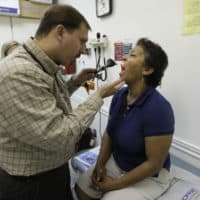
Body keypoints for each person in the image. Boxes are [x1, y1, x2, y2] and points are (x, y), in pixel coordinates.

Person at [0, 4, 124, 200]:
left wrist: (75, 82)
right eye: (81, 41)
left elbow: (47, 99)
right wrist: (97, 96)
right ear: (60, 32)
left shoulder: (43, 65)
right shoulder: (19, 73)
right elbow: (59, 135)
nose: (83, 50)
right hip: (31, 186)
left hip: (51, 172)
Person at [75, 38, 175, 200]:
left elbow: (154, 164)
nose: (124, 58)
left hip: (149, 177)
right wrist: (100, 164)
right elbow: (109, 134)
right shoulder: (120, 95)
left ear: (147, 69)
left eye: (132, 55)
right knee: (82, 187)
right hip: (119, 162)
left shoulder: (159, 108)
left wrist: (113, 185)